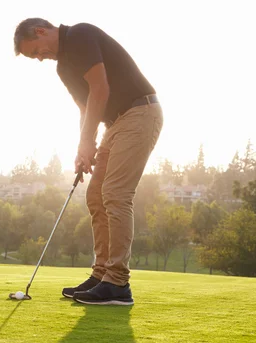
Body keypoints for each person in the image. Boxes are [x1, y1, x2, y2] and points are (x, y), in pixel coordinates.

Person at [13, 18, 163, 305]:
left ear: (41, 31)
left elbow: (100, 89)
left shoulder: (80, 35)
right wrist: (83, 147)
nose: (40, 58)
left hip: (140, 112)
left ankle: (118, 283)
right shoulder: (62, 67)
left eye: (37, 51)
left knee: (116, 194)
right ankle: (101, 274)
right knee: (95, 195)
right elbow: (85, 106)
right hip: (115, 124)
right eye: (35, 57)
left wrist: (88, 142)